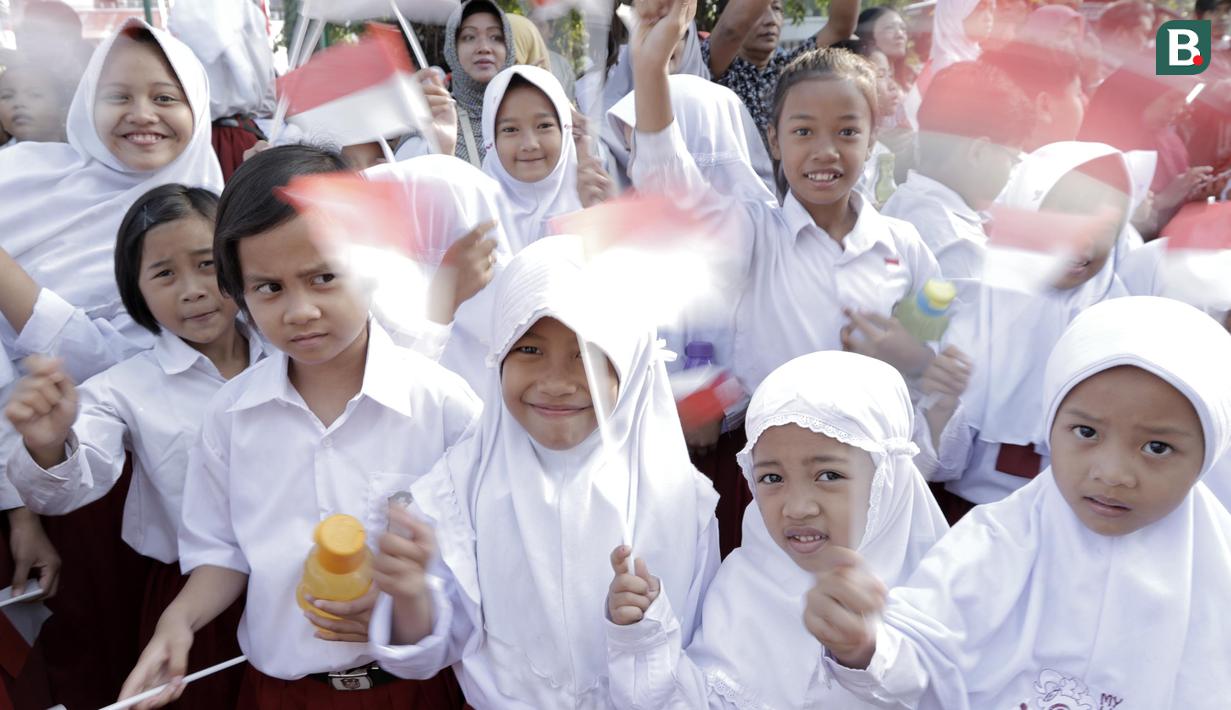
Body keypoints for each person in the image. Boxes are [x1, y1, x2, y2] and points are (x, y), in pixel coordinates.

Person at [119, 144, 479, 708]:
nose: (300, 310)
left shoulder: (443, 407)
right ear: (238, 294)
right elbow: (222, 551)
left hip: (414, 688)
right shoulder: (231, 416)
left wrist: (406, 607)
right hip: (281, 691)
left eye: (324, 277)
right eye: (269, 288)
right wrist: (180, 620)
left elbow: (478, 566)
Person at [811, 296, 1231, 708]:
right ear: (1052, 425)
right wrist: (864, 645)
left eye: (1156, 447)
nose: (1112, 473)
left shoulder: (1219, 571)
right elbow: (921, 654)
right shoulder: (995, 542)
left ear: (1207, 455)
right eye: (1086, 432)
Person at [629, 0, 939, 549]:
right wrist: (652, 70)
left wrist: (915, 357)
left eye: (847, 132)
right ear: (774, 141)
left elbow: (938, 359)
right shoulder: (754, 235)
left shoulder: (906, 248)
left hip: (872, 480)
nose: (825, 151)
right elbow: (670, 188)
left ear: (872, 140)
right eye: (803, 132)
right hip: (771, 479)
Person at [366, 235, 720, 709]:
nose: (556, 383)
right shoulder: (460, 486)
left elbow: (702, 662)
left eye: (589, 356)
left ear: (632, 366)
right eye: (530, 351)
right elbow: (430, 654)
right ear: (499, 356)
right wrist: (411, 598)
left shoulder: (683, 501)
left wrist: (644, 636)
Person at [5, 185, 254, 708]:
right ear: (135, 291)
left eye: (208, 263)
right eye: (164, 273)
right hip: (194, 605)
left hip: (310, 573)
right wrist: (49, 446)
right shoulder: (124, 385)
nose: (192, 289)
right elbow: (67, 488)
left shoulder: (292, 351)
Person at [605, 351, 947, 709]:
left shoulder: (938, 597)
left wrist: (865, 654)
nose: (797, 507)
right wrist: (643, 637)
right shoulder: (744, 584)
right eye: (771, 478)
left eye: (829, 476)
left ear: (887, 478)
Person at [919, 144, 1134, 520]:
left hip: (1075, 529)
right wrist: (943, 400)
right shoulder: (976, 299)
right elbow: (935, 464)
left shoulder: (1119, 317)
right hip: (966, 521)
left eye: (1103, 228)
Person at [881, 61, 1033, 283]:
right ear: (978, 152)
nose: (1011, 172)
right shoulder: (959, 248)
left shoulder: (905, 199)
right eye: (1012, 159)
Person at [480, 65, 613, 251]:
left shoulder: (596, 202)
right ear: (491, 141)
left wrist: (602, 217)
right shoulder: (475, 223)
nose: (530, 144)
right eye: (510, 130)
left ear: (565, 129)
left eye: (544, 126)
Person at [702, 0, 860, 137]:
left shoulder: (790, 67)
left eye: (776, 8)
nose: (771, 20)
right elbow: (730, 31)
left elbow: (841, 26)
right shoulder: (710, 65)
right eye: (758, 12)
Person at [444, 0, 515, 166]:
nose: (483, 47)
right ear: (452, 49)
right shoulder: (434, 124)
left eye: (496, 37)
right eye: (469, 37)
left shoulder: (531, 116)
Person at [0, 61, 71, 143]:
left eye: (35, 95)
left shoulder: (82, 154)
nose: (19, 104)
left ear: (63, 109)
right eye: (7, 96)